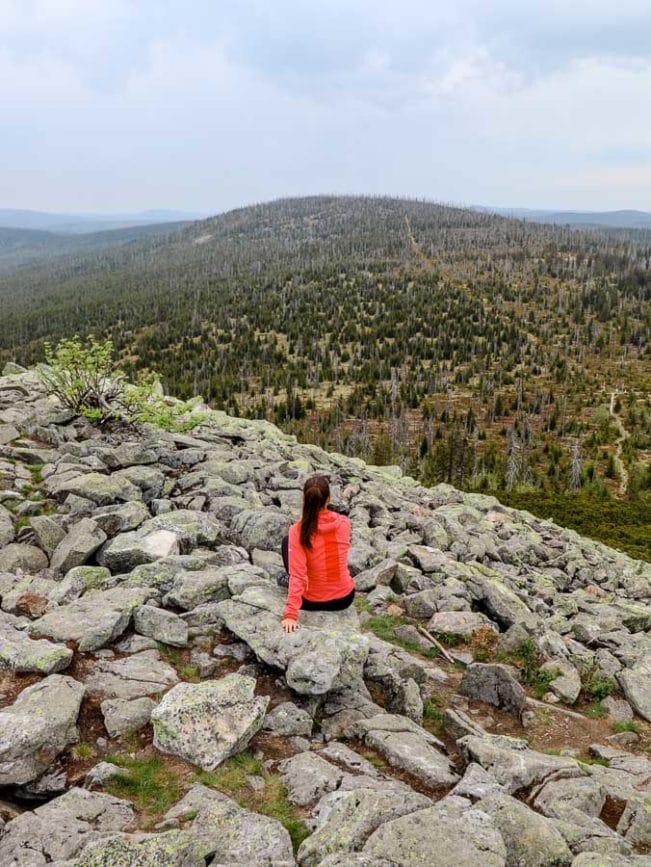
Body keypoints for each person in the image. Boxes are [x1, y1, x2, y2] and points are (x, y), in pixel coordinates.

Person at [278, 475, 355, 633]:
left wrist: (290, 615)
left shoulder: (298, 531)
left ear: (303, 499)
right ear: (328, 499)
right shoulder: (344, 523)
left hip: (311, 602)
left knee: (287, 542)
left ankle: (288, 580)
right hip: (345, 598)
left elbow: (299, 575)